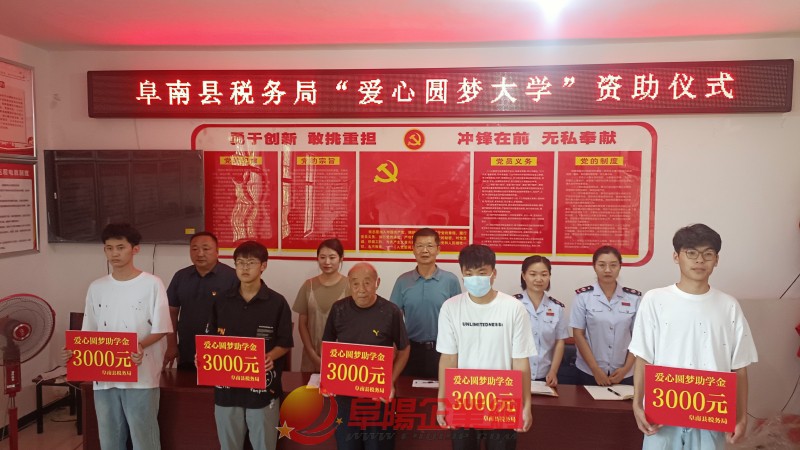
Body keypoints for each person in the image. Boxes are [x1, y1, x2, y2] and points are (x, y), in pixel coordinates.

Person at [629, 224, 757, 449]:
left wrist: (741, 417)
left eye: (708, 254)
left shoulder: (729, 306)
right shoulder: (655, 300)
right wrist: (637, 404)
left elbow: (740, 367)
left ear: (716, 260)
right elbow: (643, 357)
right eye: (691, 253)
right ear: (676, 257)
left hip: (711, 415)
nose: (699, 260)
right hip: (662, 416)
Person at [78, 223, 171, 450]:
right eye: (109, 248)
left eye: (121, 247)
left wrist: (139, 346)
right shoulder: (97, 287)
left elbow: (161, 328)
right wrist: (75, 352)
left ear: (135, 249)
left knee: (144, 437)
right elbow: (89, 332)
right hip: (105, 375)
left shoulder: (152, 283)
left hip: (141, 374)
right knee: (109, 438)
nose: (114, 254)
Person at [436, 244, 536, 450]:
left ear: (493, 273)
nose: (475, 278)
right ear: (462, 274)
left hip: (503, 400)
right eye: (469, 273)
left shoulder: (513, 308)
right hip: (462, 399)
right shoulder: (450, 307)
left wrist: (526, 404)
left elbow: (520, 361)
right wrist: (441, 401)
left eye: (482, 273)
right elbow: (448, 358)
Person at [207, 240, 293, 450]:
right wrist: (205, 355)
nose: (244, 268)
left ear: (263, 266)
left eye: (251, 262)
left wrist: (270, 356)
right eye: (240, 262)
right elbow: (210, 340)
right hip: (227, 389)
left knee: (264, 445)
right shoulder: (222, 300)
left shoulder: (277, 302)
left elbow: (285, 343)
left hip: (262, 389)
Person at [322, 262, 410, 450]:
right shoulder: (338, 309)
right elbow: (327, 346)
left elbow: (404, 349)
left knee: (378, 445)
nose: (361, 289)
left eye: (367, 283)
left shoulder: (391, 311)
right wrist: (328, 379)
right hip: (344, 396)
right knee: (347, 445)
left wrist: (390, 380)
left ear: (378, 283)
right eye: (355, 283)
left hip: (377, 396)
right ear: (349, 284)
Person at [390, 228, 461, 378]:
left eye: (429, 246)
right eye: (420, 246)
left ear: (438, 249)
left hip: (443, 351)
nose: (424, 250)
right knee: (408, 390)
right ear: (413, 249)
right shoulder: (403, 281)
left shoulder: (450, 281)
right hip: (410, 350)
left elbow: (459, 318)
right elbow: (394, 318)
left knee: (441, 391)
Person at [164, 231, 237, 370]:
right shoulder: (181, 276)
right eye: (194, 249)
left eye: (206, 248)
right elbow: (171, 312)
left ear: (217, 252)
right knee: (186, 383)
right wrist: (172, 345)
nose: (200, 253)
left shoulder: (232, 277)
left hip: (222, 352)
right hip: (187, 349)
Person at [569, 245, 642, 386]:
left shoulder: (633, 299)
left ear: (620, 267)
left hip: (624, 372)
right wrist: (595, 370)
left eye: (613, 265)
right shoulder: (583, 297)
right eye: (602, 265)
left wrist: (625, 369)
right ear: (594, 267)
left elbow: (638, 337)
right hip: (588, 371)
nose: (607, 270)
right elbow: (578, 335)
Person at [292, 238, 350, 372]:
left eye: (332, 257)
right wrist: (313, 355)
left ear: (341, 258)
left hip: (341, 358)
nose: (327, 262)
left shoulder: (350, 286)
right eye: (322, 257)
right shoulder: (308, 286)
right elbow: (302, 324)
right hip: (311, 357)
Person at [515, 255, 568, 387]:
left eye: (544, 274)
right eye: (533, 274)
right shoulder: (513, 305)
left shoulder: (557, 308)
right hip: (516, 374)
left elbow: (560, 341)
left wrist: (553, 371)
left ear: (549, 276)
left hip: (545, 376)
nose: (539, 279)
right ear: (524, 275)